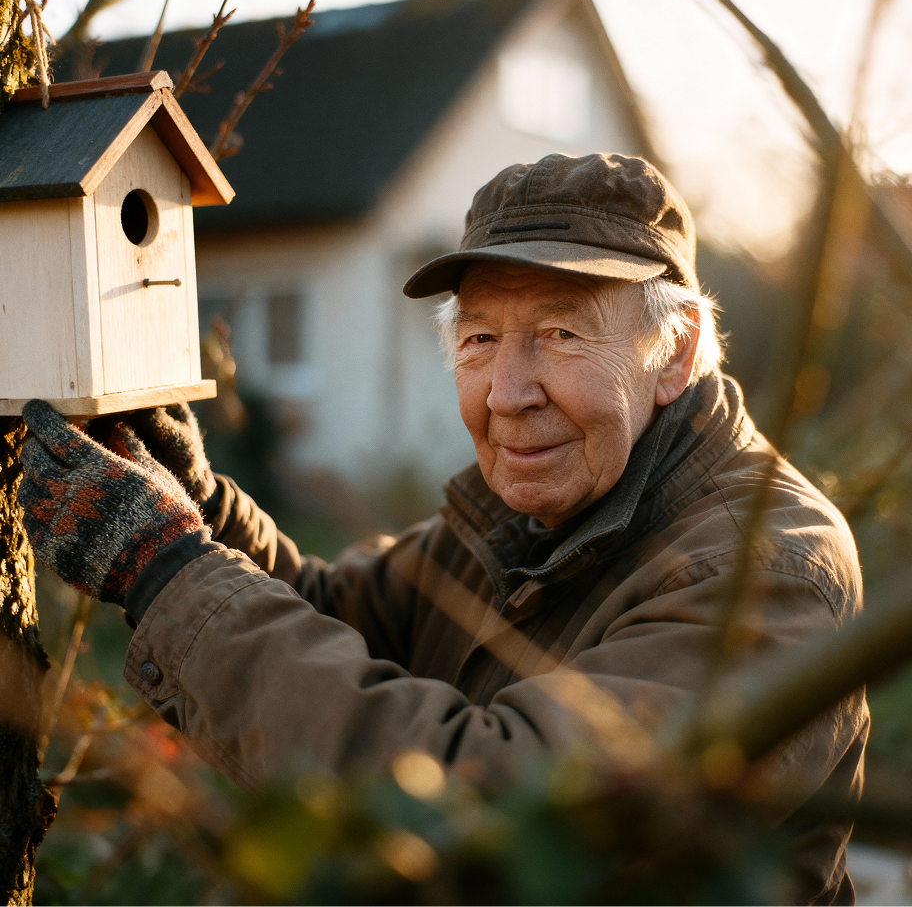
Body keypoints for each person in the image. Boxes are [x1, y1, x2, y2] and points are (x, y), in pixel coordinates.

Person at [18, 153, 867, 905]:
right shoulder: (527, 512)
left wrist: (167, 567)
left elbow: (498, 813)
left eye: (561, 334)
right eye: (480, 339)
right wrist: (203, 508)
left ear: (675, 353)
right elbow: (338, 613)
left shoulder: (767, 570)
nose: (507, 391)